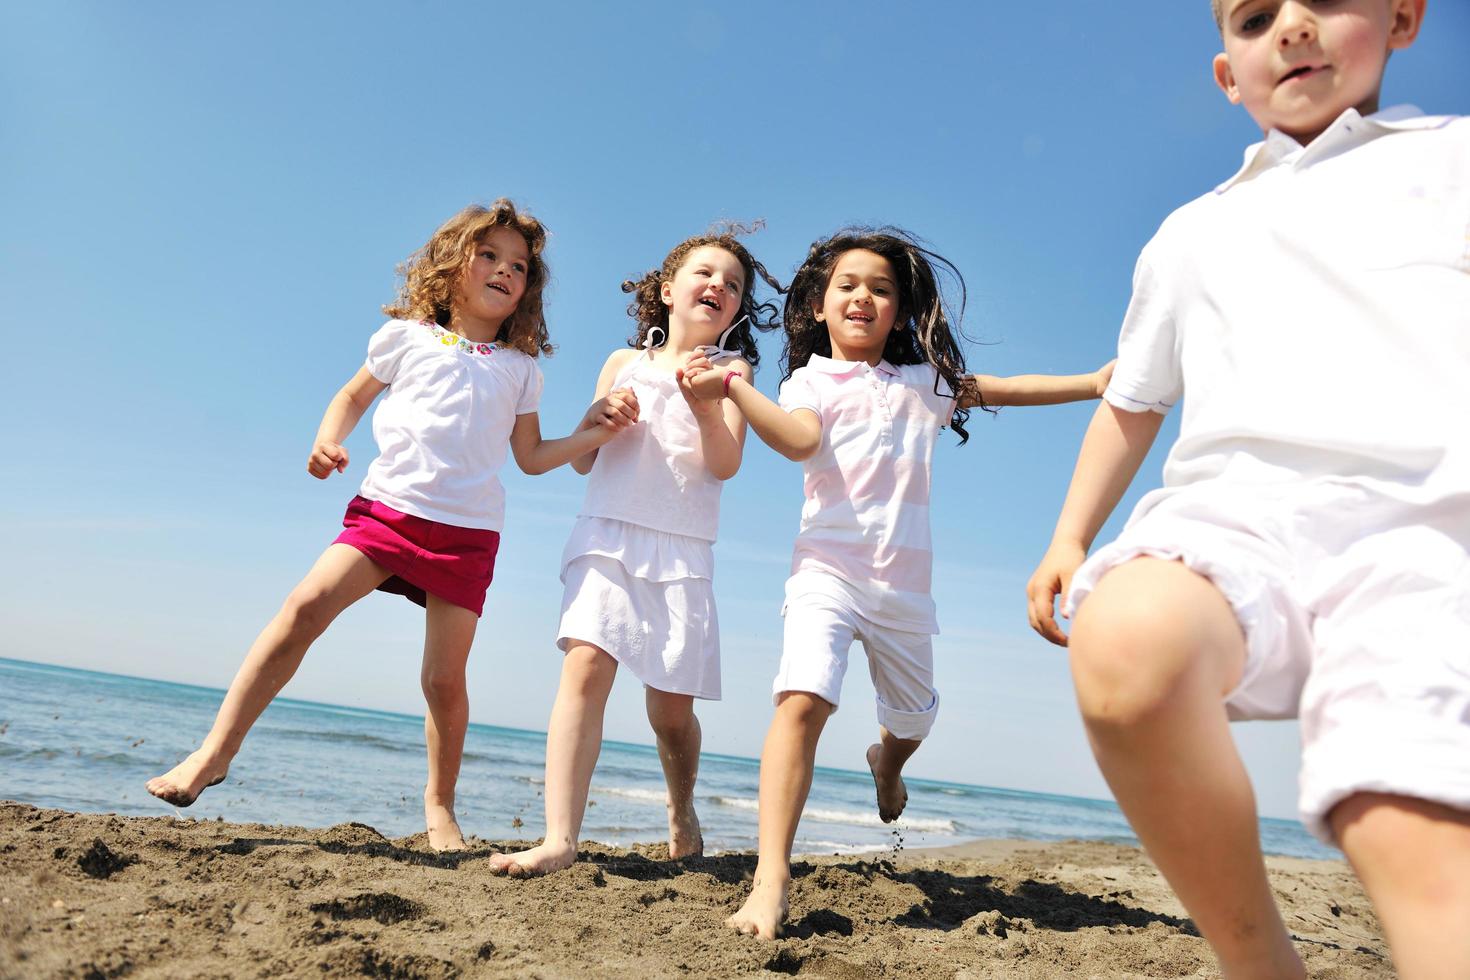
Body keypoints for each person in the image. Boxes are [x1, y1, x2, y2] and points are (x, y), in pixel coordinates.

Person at [1025, 2, 1469, 976]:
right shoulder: (1192, 232)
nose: (1293, 27)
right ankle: (1258, 958)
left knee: (1397, 809)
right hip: (1236, 515)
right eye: (1256, 15)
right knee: (1128, 641)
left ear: (1403, 16)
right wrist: (1068, 537)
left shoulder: (1452, 159)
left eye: (1325, 0)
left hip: (1425, 530)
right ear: (1229, 75)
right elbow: (1133, 402)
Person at [146, 201, 636, 851]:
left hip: (466, 534)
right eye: (487, 254)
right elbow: (351, 397)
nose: (502, 270)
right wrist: (328, 439)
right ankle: (213, 753)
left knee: (442, 680)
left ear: (528, 290)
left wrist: (591, 433)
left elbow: (530, 458)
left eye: (518, 265)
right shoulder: (404, 337)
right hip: (386, 511)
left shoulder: (521, 371)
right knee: (302, 609)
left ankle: (439, 806)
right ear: (452, 263)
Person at [685, 228, 1112, 938]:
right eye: (848, 285)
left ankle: (888, 764)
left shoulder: (926, 387)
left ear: (902, 313)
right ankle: (770, 881)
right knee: (802, 700)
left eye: (882, 290)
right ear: (820, 306)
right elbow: (798, 442)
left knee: (911, 718)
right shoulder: (808, 381)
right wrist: (731, 383)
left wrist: (1094, 384)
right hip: (826, 571)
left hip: (904, 592)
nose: (864, 297)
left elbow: (1008, 388)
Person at [488, 227, 782, 877]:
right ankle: (561, 838)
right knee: (585, 669)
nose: (720, 287)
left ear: (735, 312)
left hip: (682, 550)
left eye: (733, 286)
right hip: (607, 533)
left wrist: (706, 404)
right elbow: (583, 458)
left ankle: (681, 809)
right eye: (707, 274)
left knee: (670, 712)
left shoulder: (734, 372)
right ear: (668, 290)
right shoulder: (622, 364)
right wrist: (598, 414)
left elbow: (726, 462)